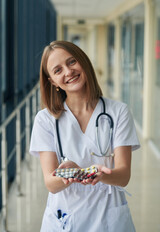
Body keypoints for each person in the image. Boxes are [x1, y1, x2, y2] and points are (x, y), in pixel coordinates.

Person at [29, 40, 140, 232]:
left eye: (72, 62)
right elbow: (51, 183)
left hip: (109, 217)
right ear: (52, 82)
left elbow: (123, 176)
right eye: (58, 70)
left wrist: (98, 173)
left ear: (83, 61)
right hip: (65, 218)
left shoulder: (118, 112)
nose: (68, 71)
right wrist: (75, 173)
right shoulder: (45, 120)